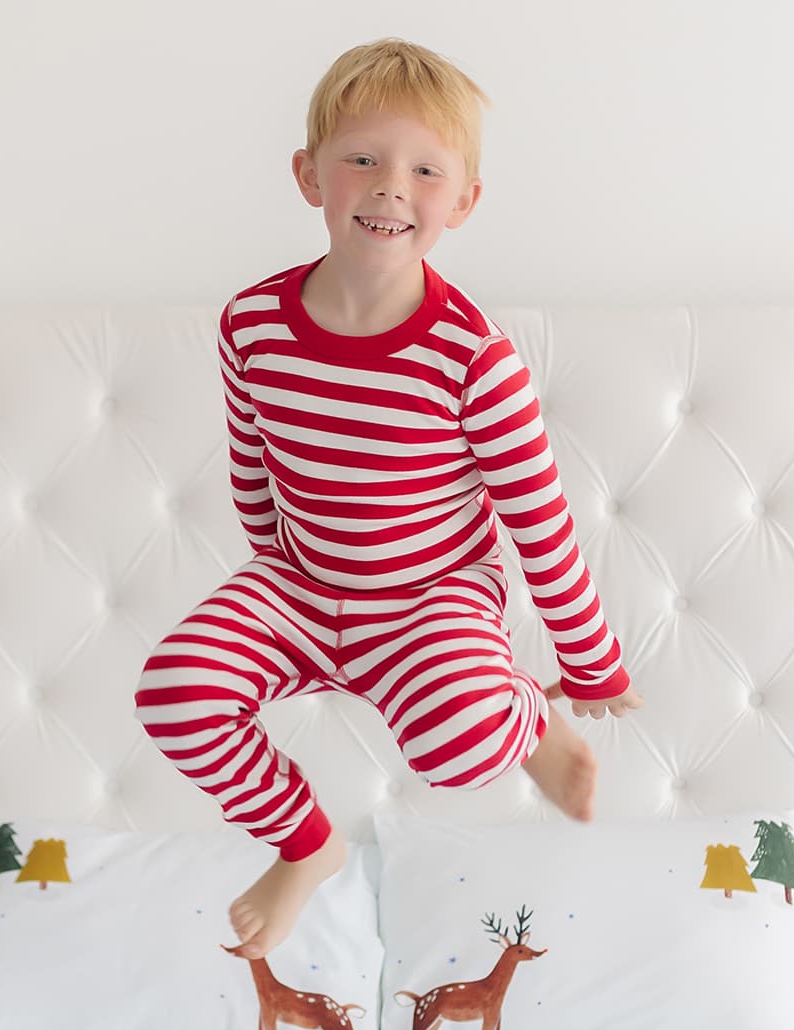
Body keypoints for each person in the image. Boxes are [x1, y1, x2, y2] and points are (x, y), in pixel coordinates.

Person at [135, 37, 643, 961]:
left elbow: (539, 522)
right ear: (309, 175)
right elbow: (253, 469)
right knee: (176, 691)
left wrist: (592, 661)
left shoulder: (473, 358)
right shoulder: (251, 324)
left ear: (464, 200)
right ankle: (306, 845)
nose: (390, 188)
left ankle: (528, 720)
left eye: (424, 170)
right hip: (300, 582)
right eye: (363, 160)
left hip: (430, 594)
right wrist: (269, 592)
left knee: (460, 747)